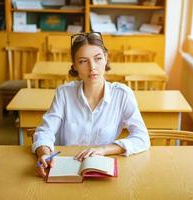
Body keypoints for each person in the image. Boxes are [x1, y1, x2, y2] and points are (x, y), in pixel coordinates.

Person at [33, 32, 150, 177]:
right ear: (74, 66)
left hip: (100, 169)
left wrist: (104, 150)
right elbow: (45, 132)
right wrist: (43, 154)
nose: (92, 67)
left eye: (98, 58)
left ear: (106, 59)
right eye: (83, 61)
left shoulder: (122, 95)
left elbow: (142, 138)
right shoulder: (64, 93)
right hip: (66, 168)